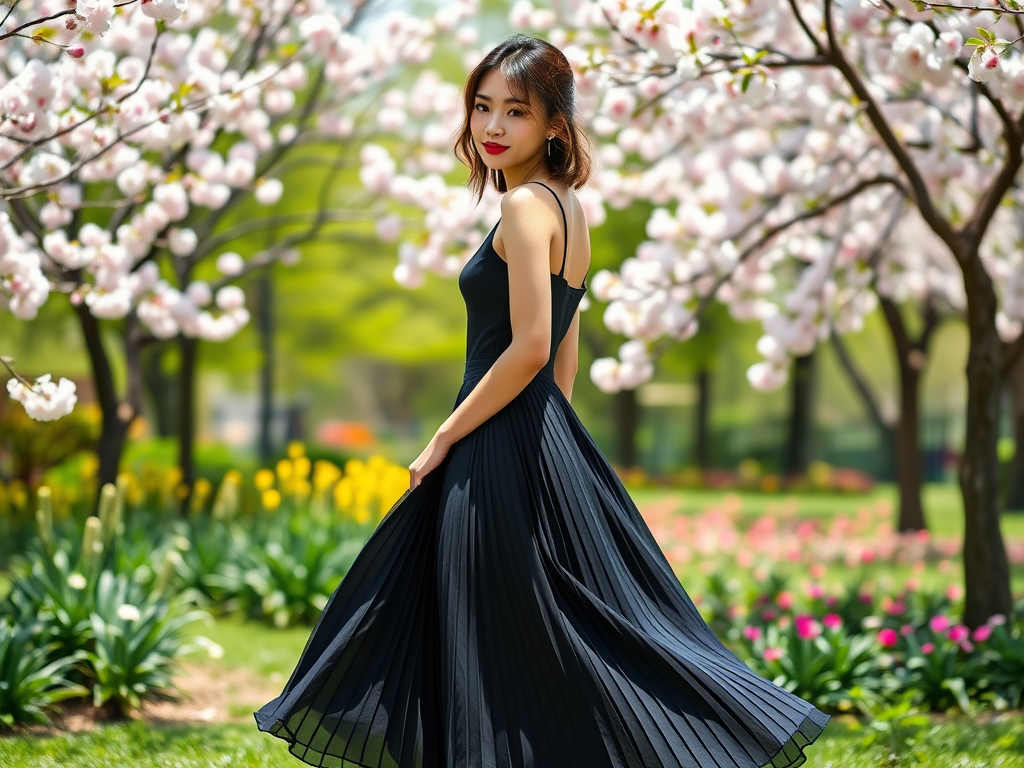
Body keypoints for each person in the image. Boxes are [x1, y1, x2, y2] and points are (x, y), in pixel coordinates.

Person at [254, 33, 830, 768]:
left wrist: (445, 439)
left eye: (515, 112)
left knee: (489, 628)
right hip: (534, 436)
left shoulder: (527, 209)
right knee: (540, 628)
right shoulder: (569, 208)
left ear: (555, 125)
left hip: (496, 440)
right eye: (482, 107)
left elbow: (530, 347)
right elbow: (565, 361)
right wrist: (548, 452)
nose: (492, 127)